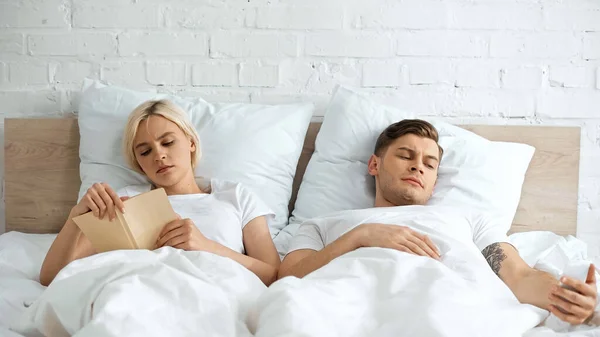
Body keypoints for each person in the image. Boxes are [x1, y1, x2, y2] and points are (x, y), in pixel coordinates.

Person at [278, 119, 598, 326]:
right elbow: (288, 277)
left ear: (434, 181)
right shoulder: (325, 224)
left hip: (449, 311)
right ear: (374, 164)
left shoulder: (467, 219)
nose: (418, 167)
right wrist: (361, 236)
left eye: (430, 164)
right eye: (406, 156)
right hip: (344, 312)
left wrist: (566, 297)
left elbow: (518, 274)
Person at [40, 99, 280, 286]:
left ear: (191, 143)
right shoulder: (125, 201)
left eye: (167, 142)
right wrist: (76, 218)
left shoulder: (235, 196)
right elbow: (51, 277)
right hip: (143, 292)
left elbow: (273, 275)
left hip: (216, 291)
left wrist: (205, 245)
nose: (159, 155)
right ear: (138, 164)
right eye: (145, 152)